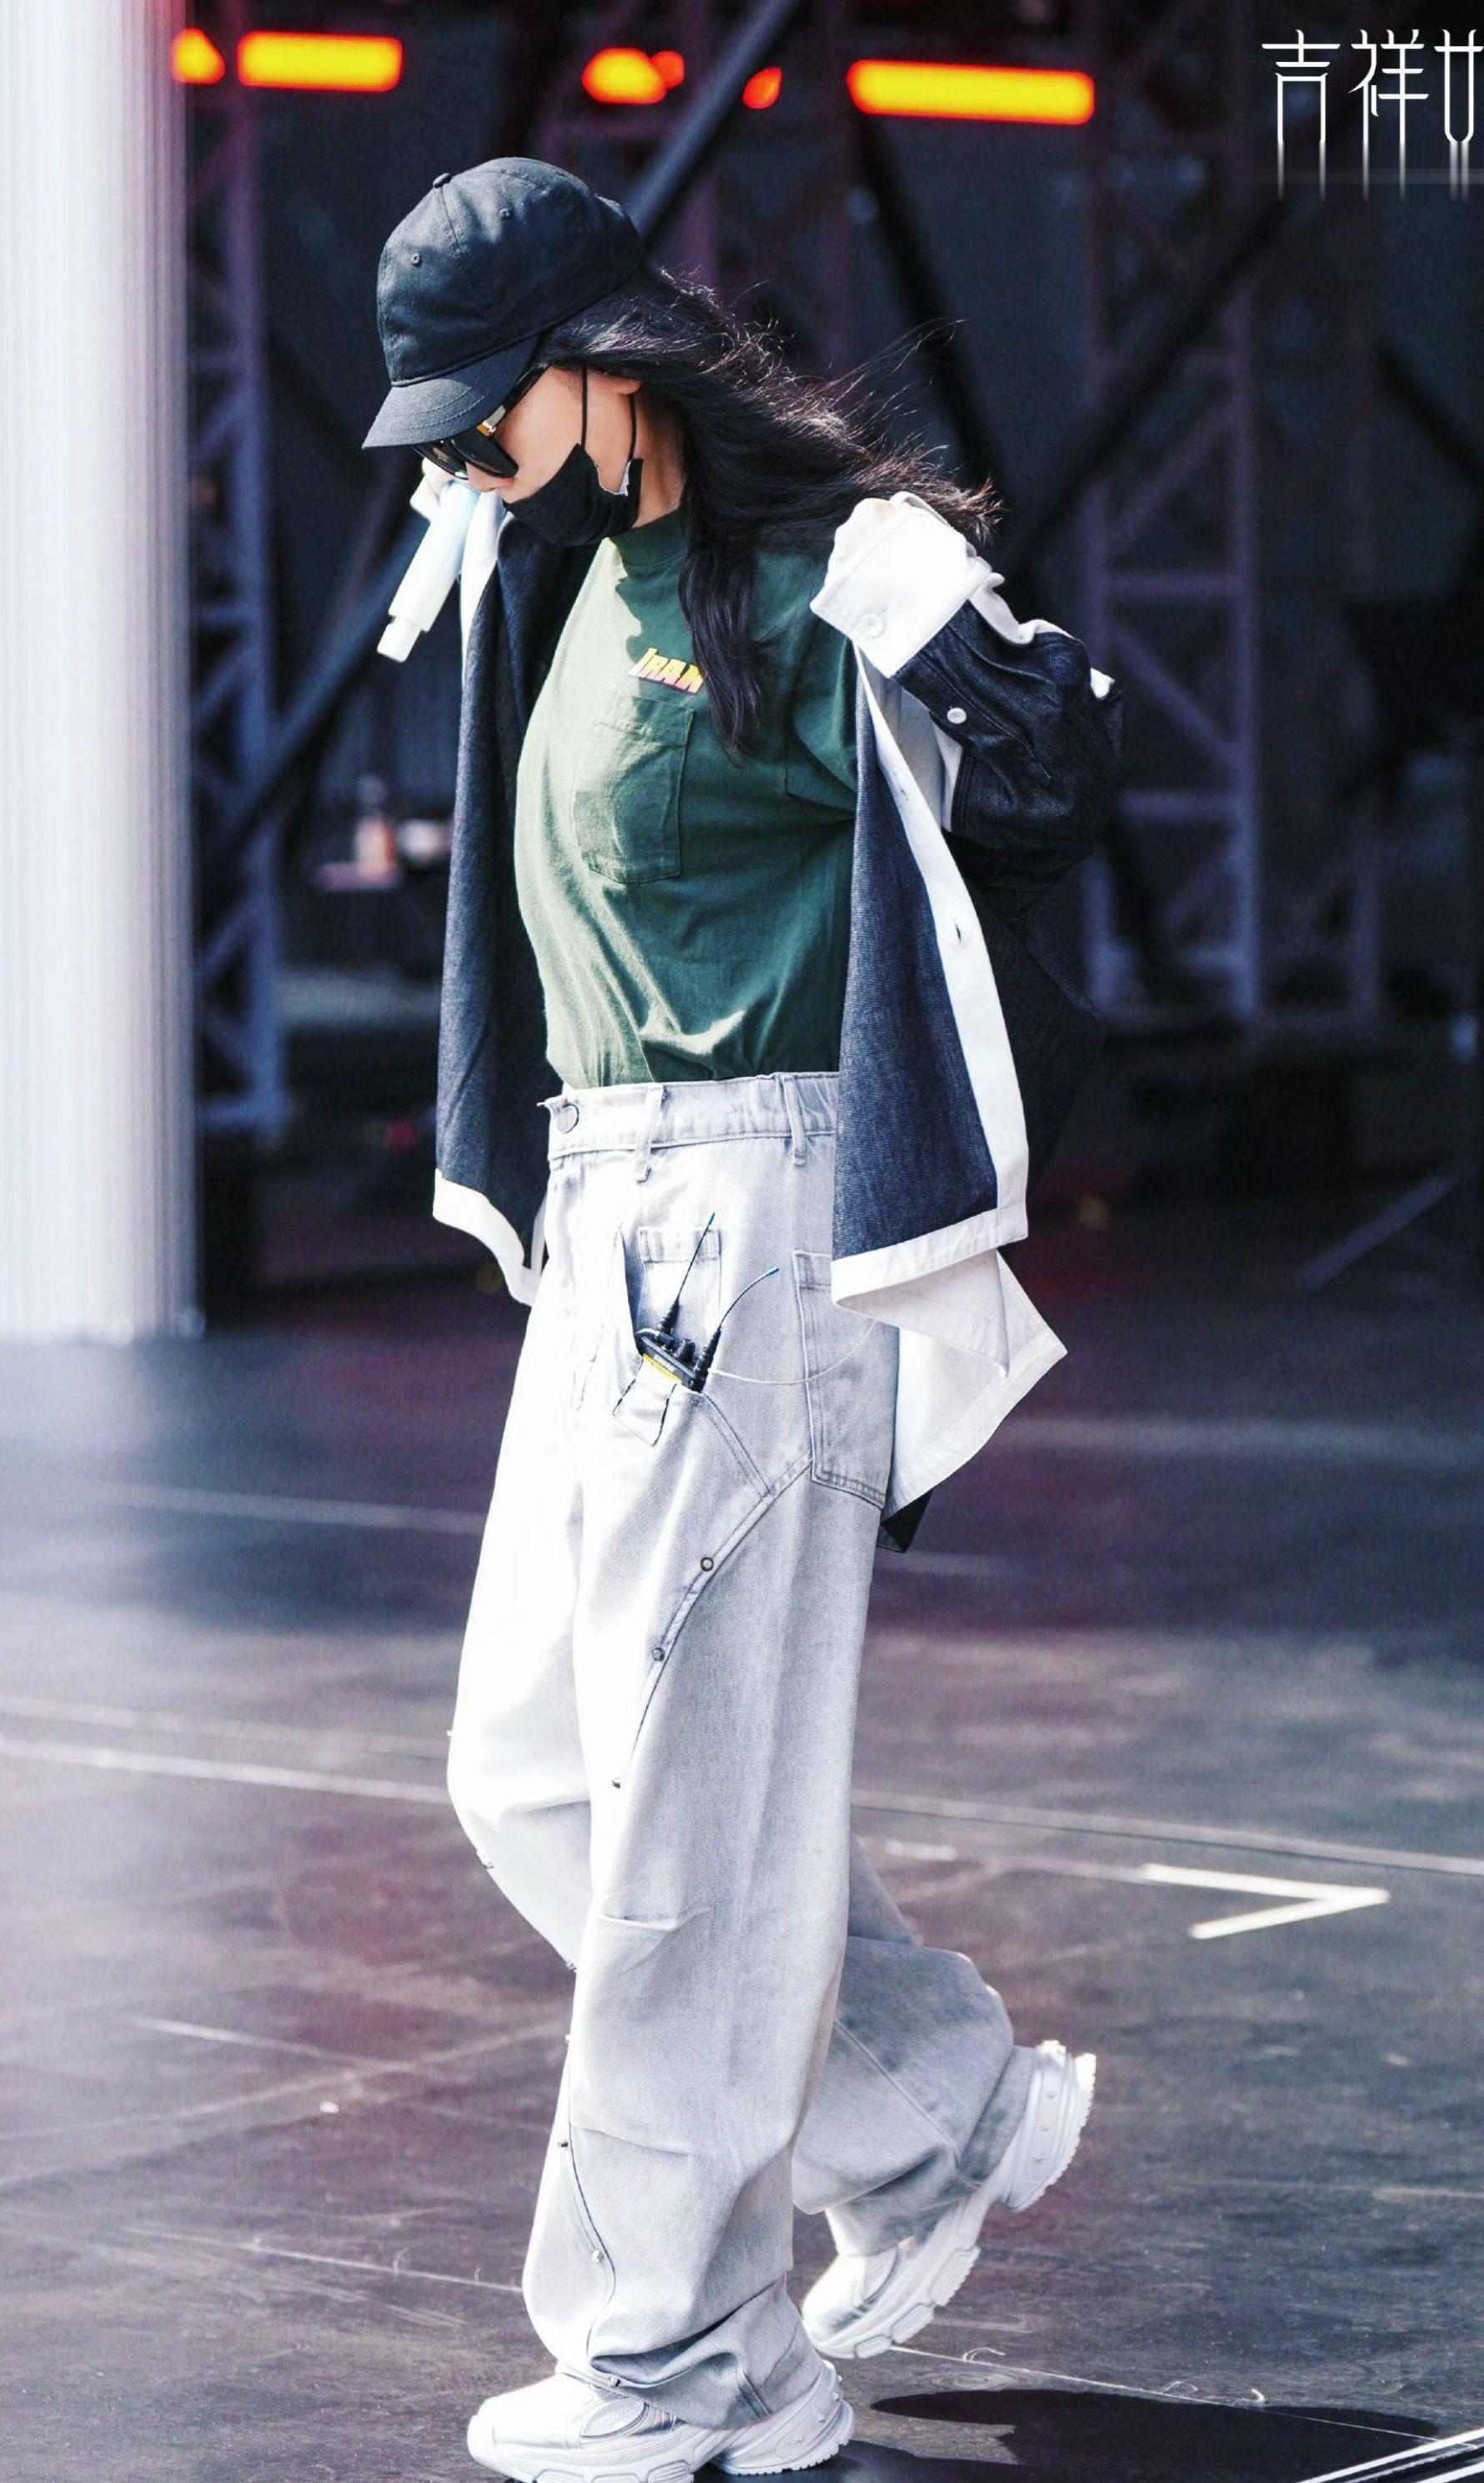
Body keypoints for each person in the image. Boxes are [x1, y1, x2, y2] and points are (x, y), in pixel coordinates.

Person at [362, 156, 1123, 2483]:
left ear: (603, 372)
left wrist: (957, 639)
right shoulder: (564, 571)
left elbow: (1046, 772)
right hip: (616, 1213)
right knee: (537, 1767)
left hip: (763, 1207)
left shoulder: (806, 578)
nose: (460, 466)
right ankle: (932, 2109)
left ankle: (689, 2361)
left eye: (483, 418)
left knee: (691, 1817)